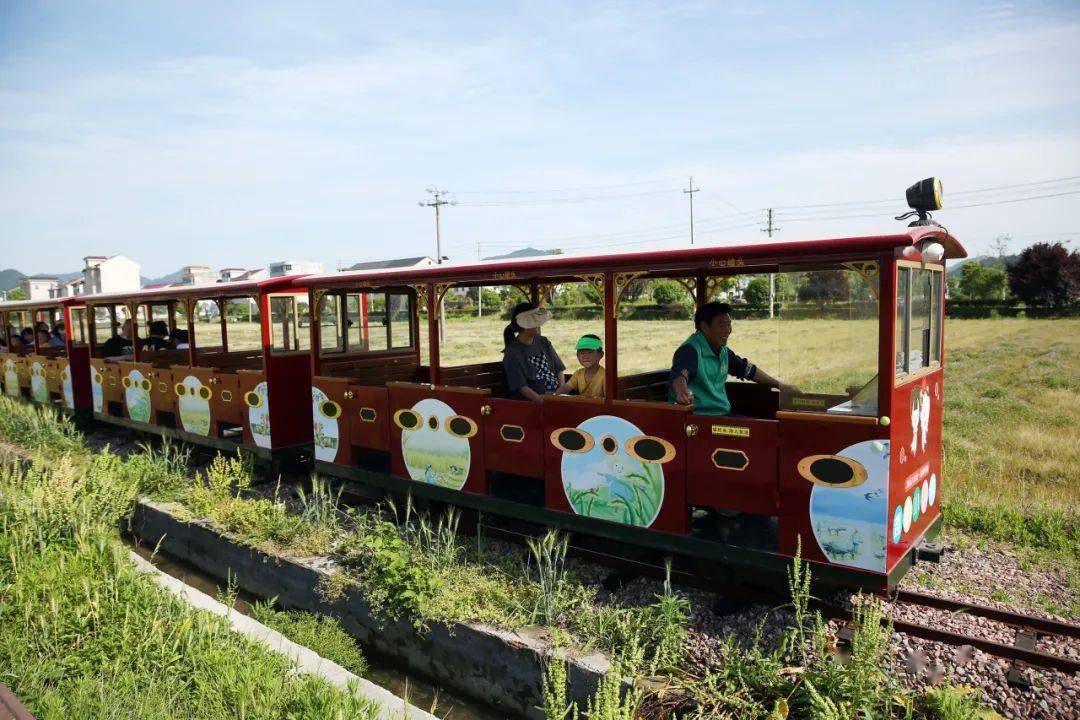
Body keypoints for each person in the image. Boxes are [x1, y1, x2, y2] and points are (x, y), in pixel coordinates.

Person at [669, 301, 798, 416]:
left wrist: (781, 386)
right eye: (721, 325)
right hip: (700, 418)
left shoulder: (722, 350)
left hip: (721, 414)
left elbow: (747, 370)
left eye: (729, 324)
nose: (727, 330)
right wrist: (682, 392)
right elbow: (680, 376)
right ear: (704, 327)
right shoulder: (690, 350)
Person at [502, 302, 565, 402]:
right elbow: (521, 387)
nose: (539, 324)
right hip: (532, 403)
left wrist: (561, 392)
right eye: (534, 321)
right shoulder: (512, 352)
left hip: (555, 397)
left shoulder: (543, 341)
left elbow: (559, 369)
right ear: (524, 325)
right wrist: (543, 401)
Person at [556, 333, 605, 399]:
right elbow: (565, 388)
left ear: (601, 355)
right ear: (577, 356)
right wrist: (555, 395)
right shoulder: (578, 374)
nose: (586, 356)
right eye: (582, 353)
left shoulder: (605, 376)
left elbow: (609, 399)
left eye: (590, 352)